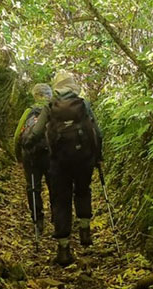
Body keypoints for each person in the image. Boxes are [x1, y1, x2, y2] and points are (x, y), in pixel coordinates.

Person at [28, 71, 102, 266]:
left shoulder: (50, 107)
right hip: (84, 160)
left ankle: (63, 249)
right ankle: (85, 231)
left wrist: (27, 145)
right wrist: (97, 157)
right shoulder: (83, 105)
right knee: (83, 191)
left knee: (61, 201)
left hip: (59, 163)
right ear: (73, 87)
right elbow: (98, 133)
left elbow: (36, 133)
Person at [13, 83, 54, 238]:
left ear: (35, 95)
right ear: (49, 95)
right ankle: (56, 217)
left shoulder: (29, 111)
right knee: (54, 186)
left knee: (33, 187)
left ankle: (38, 221)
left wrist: (18, 155)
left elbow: (17, 135)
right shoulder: (54, 110)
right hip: (50, 155)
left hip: (31, 156)